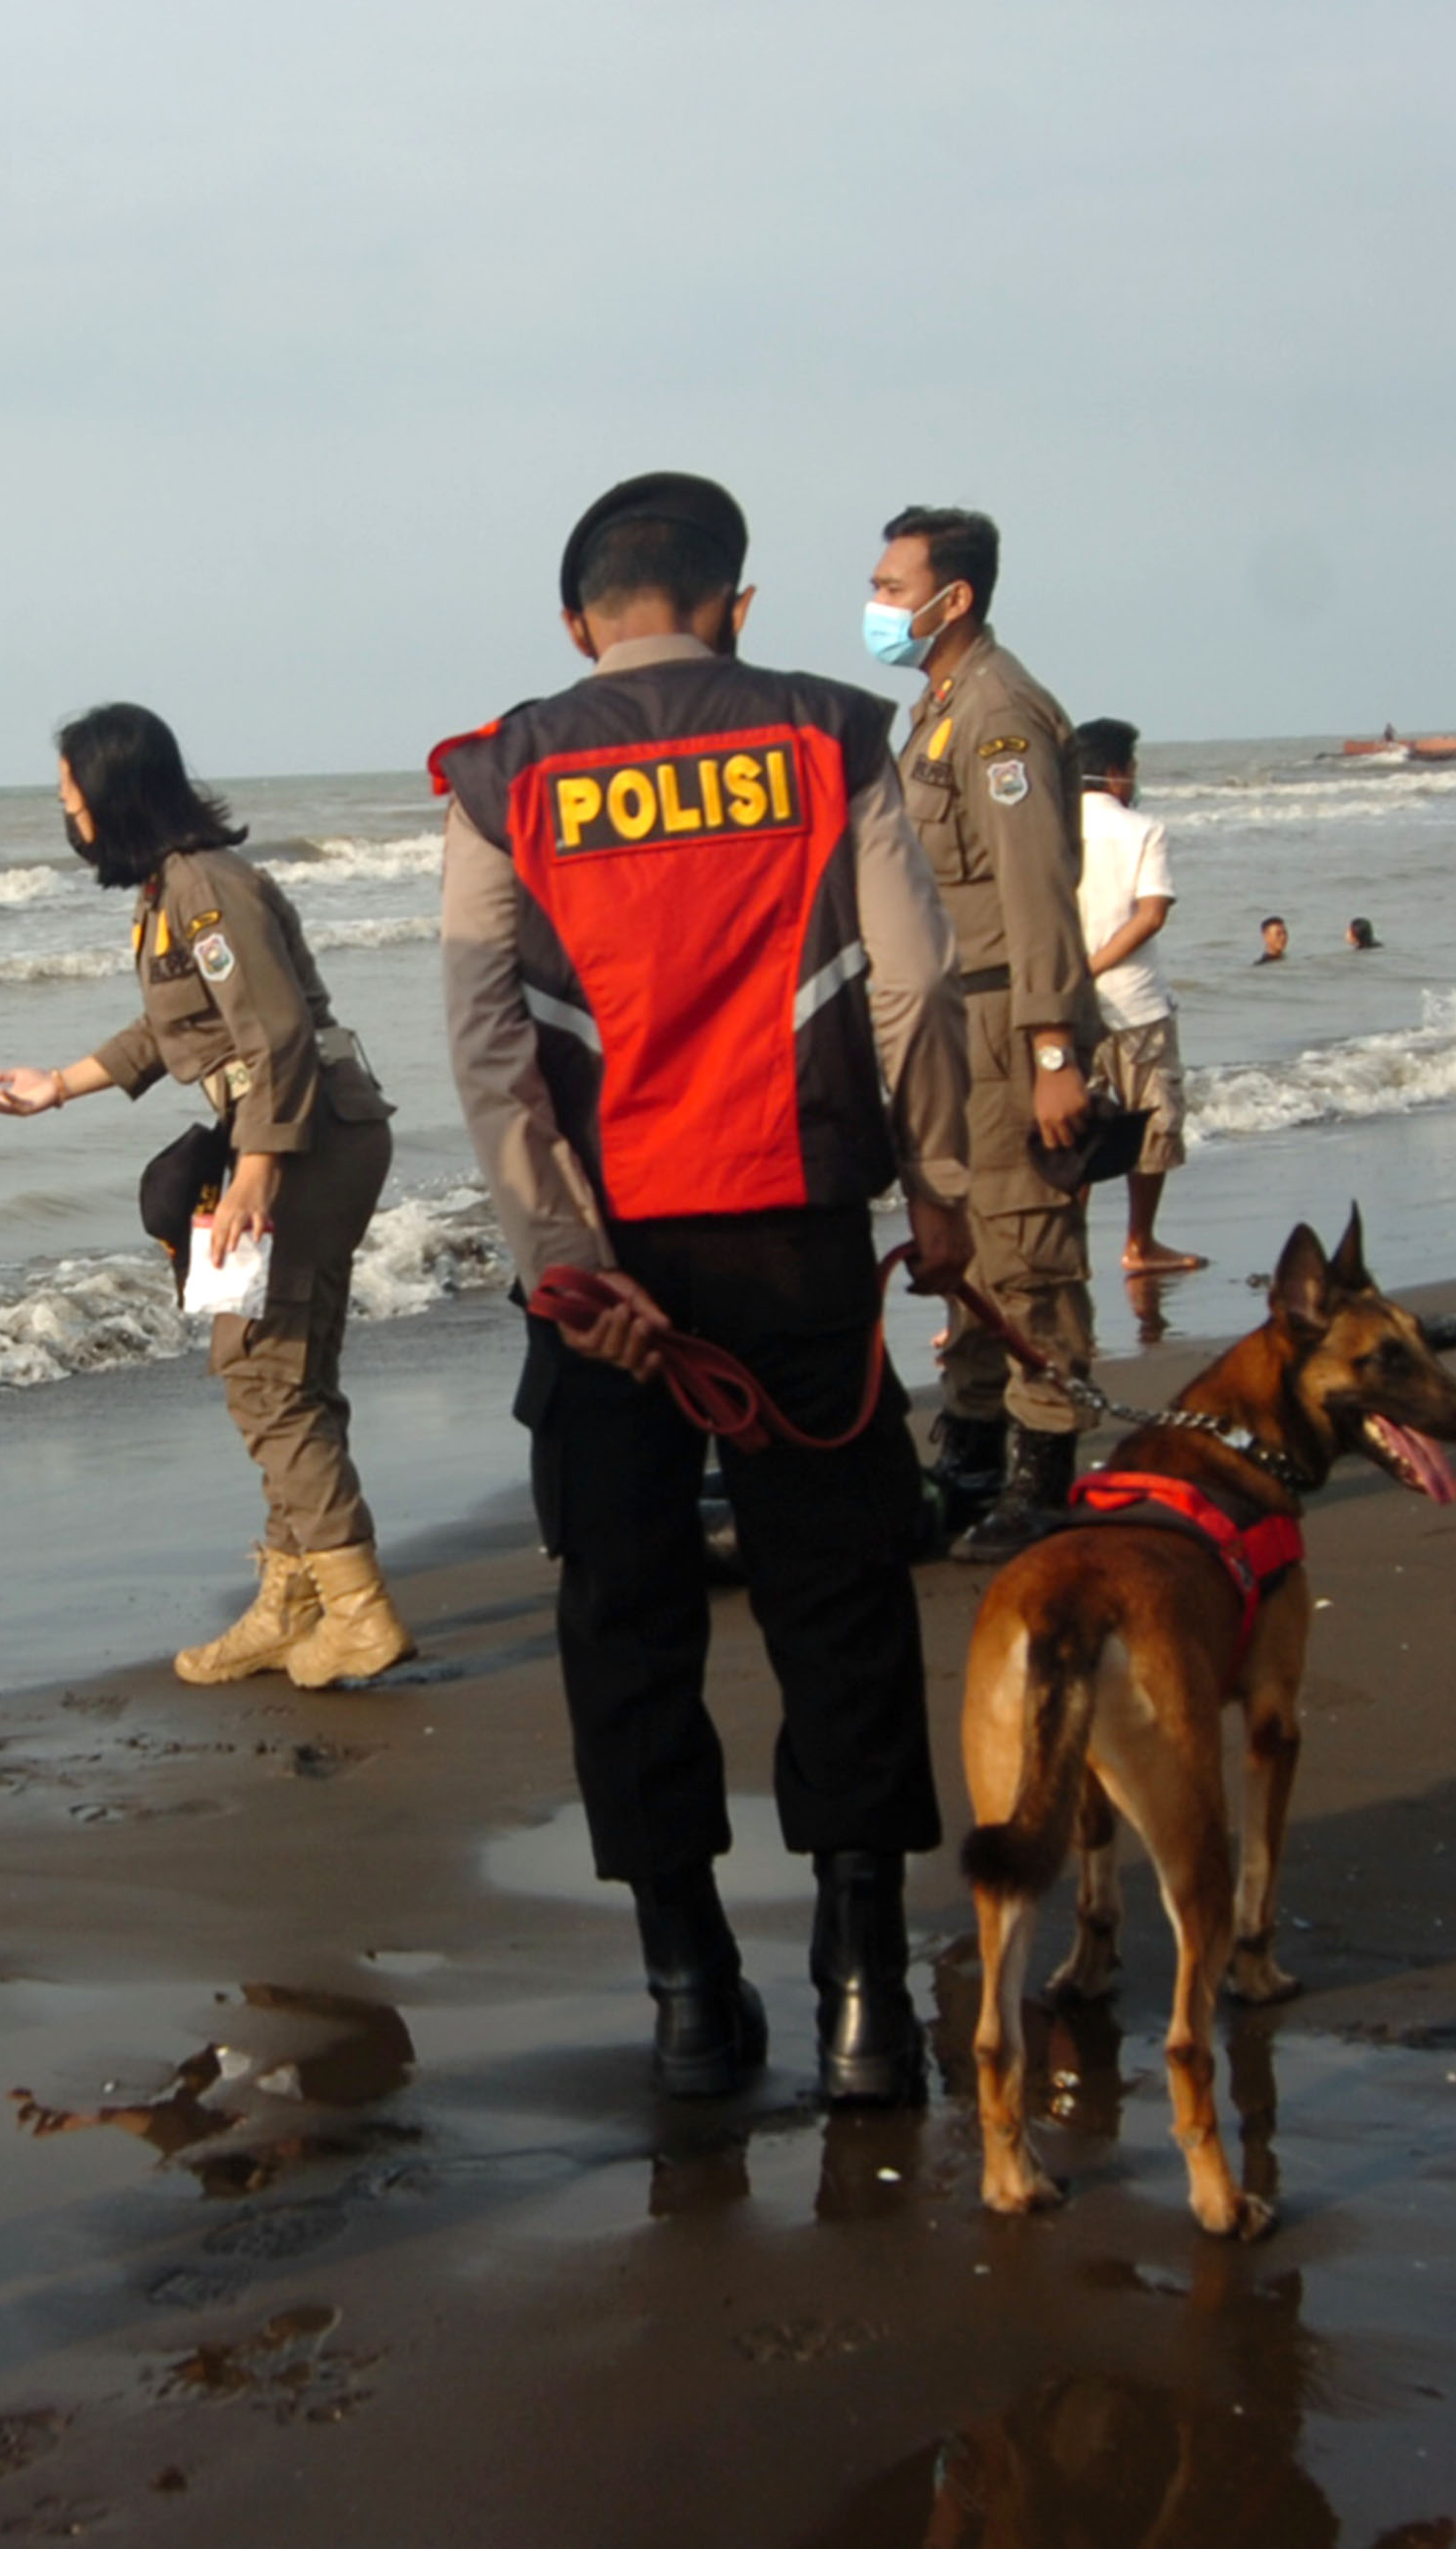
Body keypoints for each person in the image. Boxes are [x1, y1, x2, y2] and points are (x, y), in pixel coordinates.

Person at [434, 471, 974, 2107]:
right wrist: (939, 1189)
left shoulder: (503, 772)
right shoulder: (830, 734)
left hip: (608, 1280)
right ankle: (865, 2001)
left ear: (576, 624)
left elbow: (487, 1046)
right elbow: (917, 986)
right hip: (798, 1244)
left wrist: (564, 1261)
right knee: (841, 1601)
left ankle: (688, 1993)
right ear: (734, 607)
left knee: (625, 1614)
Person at [0, 701, 412, 1689]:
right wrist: (58, 1085)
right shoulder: (174, 889)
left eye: (71, 796)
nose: (67, 816)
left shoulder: (205, 887)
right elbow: (174, 1027)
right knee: (290, 1370)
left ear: (113, 794)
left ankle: (356, 1609)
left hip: (297, 1138)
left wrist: (257, 1166)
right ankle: (293, 1595)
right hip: (310, 1130)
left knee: (260, 1373)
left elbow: (275, 1032)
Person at [867, 505, 1102, 1564]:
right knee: (963, 1252)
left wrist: (1054, 1051)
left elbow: (1037, 887)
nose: (877, 605)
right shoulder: (939, 709)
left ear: (952, 598)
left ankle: (1042, 1474)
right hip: (953, 1025)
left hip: (1009, 1017)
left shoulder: (999, 714)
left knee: (1027, 1252)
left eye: (892, 588)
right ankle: (970, 1454)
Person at [1067, 722, 1201, 1276]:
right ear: (1117, 771)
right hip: (1136, 1000)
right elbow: (1151, 914)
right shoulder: (1143, 829)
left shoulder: (1051, 828)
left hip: (1068, 1006)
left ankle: (1070, 1250)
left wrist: (1072, 972)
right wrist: (1096, 965)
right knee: (1152, 1120)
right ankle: (1139, 1242)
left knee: (1073, 1129)